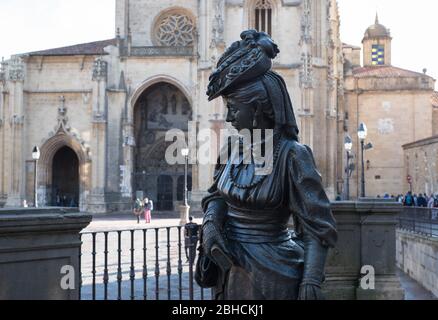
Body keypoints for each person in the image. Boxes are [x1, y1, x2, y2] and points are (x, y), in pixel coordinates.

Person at [198, 30, 337, 300]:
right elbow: (216, 195)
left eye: (235, 108)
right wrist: (212, 223)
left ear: (260, 108)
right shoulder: (232, 149)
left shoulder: (293, 155)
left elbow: (317, 228)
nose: (228, 117)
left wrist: (310, 282)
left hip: (275, 273)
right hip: (229, 268)